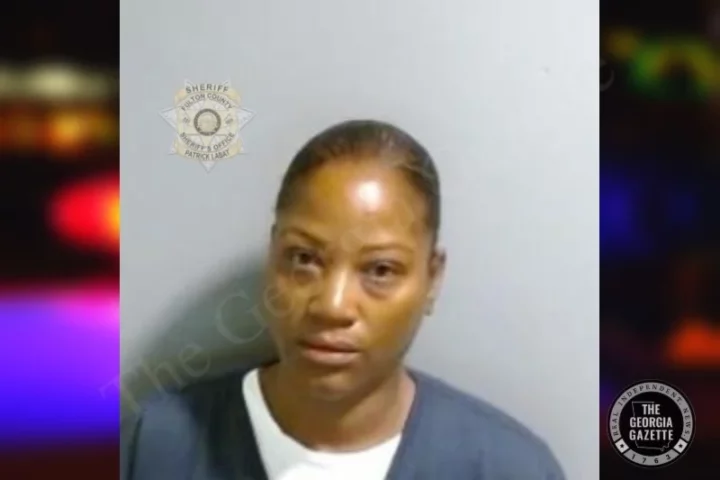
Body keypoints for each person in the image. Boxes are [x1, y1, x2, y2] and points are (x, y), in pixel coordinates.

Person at [121, 119, 566, 479]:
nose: (332, 306)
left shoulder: (509, 468)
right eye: (304, 258)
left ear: (432, 279)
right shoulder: (162, 443)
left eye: (380, 270)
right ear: (273, 255)